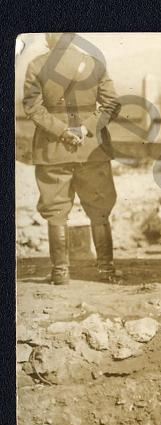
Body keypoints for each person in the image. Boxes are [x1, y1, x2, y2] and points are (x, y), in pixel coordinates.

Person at [22, 33, 121, 284]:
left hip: (53, 149)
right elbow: (111, 105)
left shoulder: (37, 65)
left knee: (56, 211)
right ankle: (106, 270)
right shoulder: (94, 63)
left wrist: (62, 131)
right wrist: (85, 129)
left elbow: (32, 107)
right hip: (91, 149)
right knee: (99, 210)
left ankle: (60, 272)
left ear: (48, 37)